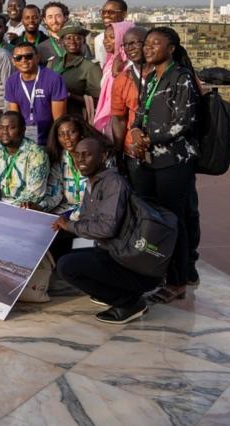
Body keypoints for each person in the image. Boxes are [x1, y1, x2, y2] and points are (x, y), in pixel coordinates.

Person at [128, 26, 200, 305]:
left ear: (171, 48)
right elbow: (140, 111)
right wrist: (135, 132)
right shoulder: (150, 78)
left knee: (174, 221)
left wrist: (149, 138)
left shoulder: (181, 77)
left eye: (155, 44)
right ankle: (157, 272)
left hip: (173, 161)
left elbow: (184, 121)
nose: (148, 48)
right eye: (147, 44)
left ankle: (179, 280)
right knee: (153, 220)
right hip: (148, 160)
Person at [54, 138, 160, 324]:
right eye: (77, 155)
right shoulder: (93, 181)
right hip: (113, 251)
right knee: (63, 248)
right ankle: (118, 291)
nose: (81, 160)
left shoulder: (113, 183)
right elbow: (87, 221)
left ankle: (129, 302)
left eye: (87, 154)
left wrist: (69, 226)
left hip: (131, 262)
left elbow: (106, 229)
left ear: (103, 156)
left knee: (67, 266)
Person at [0, 111, 50, 207]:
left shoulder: (36, 154)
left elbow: (35, 193)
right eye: (1, 127)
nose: (4, 132)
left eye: (11, 128)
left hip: (25, 207)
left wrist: (9, 210)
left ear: (23, 130)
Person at [4, 42, 68, 145]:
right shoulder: (11, 81)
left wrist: (54, 143)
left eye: (28, 56)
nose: (23, 60)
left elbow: (59, 120)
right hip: (25, 138)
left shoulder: (53, 79)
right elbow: (14, 117)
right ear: (13, 61)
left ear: (37, 57)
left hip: (50, 137)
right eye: (18, 58)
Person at [51, 22, 103, 120]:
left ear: (83, 41)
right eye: (68, 38)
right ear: (61, 41)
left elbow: (98, 102)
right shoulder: (53, 63)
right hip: (51, 118)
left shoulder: (91, 67)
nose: (73, 41)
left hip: (76, 120)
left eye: (78, 38)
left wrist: (69, 94)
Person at [110, 26, 149, 154]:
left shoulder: (168, 75)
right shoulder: (122, 79)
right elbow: (118, 118)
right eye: (125, 45)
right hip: (133, 148)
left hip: (167, 149)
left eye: (134, 43)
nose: (129, 48)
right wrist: (119, 150)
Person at [92, 20, 135, 133]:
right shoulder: (110, 62)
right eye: (105, 37)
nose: (106, 41)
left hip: (123, 123)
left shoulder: (130, 65)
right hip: (110, 122)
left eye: (112, 37)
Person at [94, 0, 129, 66]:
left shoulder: (132, 36)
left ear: (124, 14)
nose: (106, 15)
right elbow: (101, 64)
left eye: (111, 12)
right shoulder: (99, 39)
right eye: (103, 12)